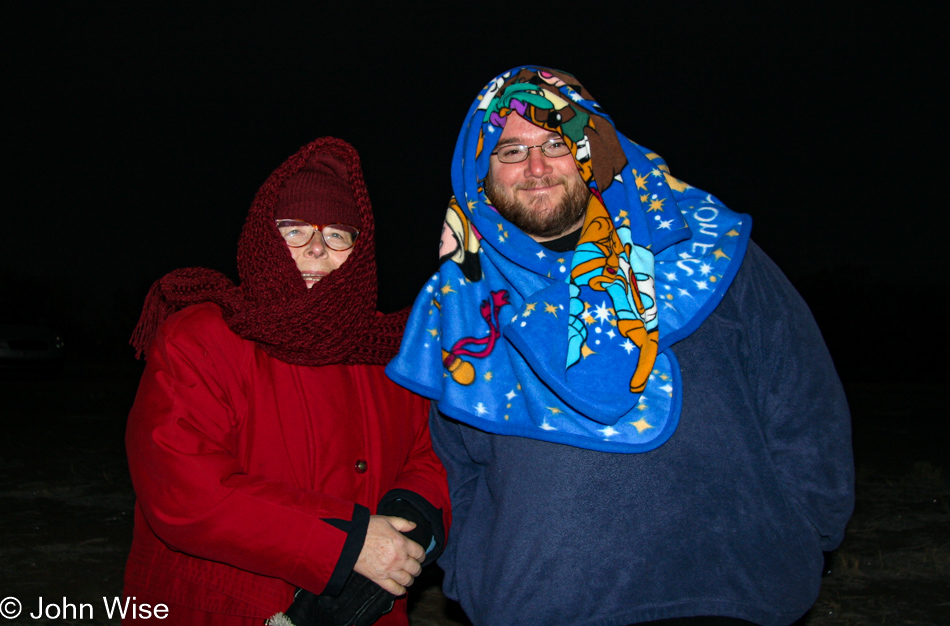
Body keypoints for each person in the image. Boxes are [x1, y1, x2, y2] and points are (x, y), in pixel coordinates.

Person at [386, 66, 854, 626]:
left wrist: (805, 538)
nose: (536, 167)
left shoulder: (710, 252)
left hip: (737, 596)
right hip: (540, 609)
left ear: (594, 146)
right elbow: (448, 462)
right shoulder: (459, 304)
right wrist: (477, 573)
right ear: (478, 172)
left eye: (557, 141)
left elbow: (805, 405)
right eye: (510, 150)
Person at [123, 137, 450, 625]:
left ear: (359, 251)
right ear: (263, 237)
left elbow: (437, 451)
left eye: (339, 234)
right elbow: (185, 490)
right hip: (219, 606)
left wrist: (411, 518)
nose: (316, 248)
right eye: (294, 229)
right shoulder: (201, 337)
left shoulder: (392, 351)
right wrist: (345, 545)